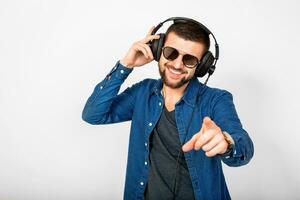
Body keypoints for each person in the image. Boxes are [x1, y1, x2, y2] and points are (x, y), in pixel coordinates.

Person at [82, 17, 254, 200]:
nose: (177, 64)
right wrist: (126, 65)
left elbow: (243, 145)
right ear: (157, 50)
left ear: (203, 66)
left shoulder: (215, 99)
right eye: (171, 52)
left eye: (189, 59)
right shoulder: (142, 92)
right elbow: (93, 114)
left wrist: (226, 142)